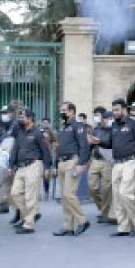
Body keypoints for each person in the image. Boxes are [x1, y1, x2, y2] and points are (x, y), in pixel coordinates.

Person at [90, 99, 135, 237]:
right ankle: (123, 227)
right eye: (113, 110)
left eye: (116, 110)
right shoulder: (114, 125)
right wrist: (100, 142)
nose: (114, 113)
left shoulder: (134, 123)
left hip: (130, 162)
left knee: (125, 193)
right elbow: (111, 143)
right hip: (117, 164)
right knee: (116, 196)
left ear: (124, 109)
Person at [9, 108, 52, 234]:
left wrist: (47, 167)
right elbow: (15, 150)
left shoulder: (38, 133)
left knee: (30, 197)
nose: (20, 120)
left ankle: (29, 225)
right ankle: (32, 214)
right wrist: (11, 166)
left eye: (23, 117)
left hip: (34, 165)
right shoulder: (20, 132)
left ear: (30, 119)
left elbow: (46, 151)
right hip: (20, 167)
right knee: (15, 194)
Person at [53, 101, 91, 236]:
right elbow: (59, 147)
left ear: (71, 112)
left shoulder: (78, 126)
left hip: (72, 162)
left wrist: (81, 164)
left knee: (69, 194)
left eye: (64, 110)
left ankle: (83, 221)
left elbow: (84, 146)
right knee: (64, 197)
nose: (62, 112)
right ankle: (68, 226)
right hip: (62, 163)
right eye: (61, 110)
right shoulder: (63, 127)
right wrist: (55, 165)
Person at [87, 107, 114, 223]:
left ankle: (105, 212)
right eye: (104, 119)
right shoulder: (96, 129)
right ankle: (103, 208)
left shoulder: (114, 130)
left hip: (107, 162)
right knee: (92, 187)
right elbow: (91, 145)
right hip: (96, 161)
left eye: (108, 118)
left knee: (107, 188)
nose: (104, 120)